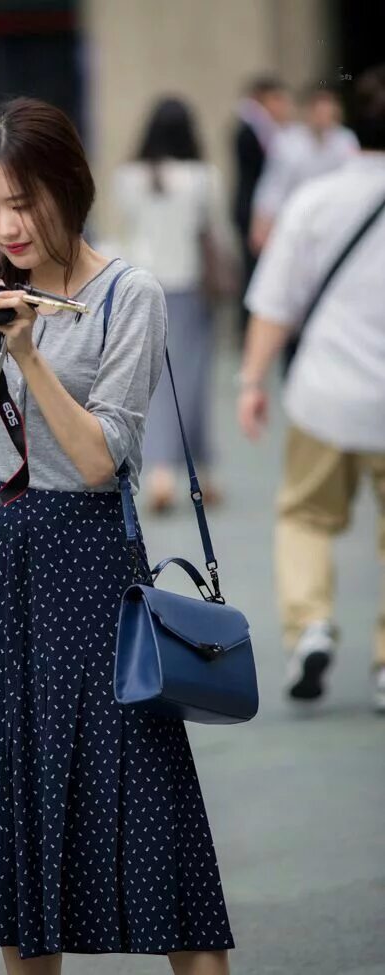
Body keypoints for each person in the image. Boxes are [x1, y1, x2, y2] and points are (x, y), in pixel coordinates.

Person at [0, 97, 234, 973]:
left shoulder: (132, 295)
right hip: (2, 569)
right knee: (18, 837)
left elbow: (100, 457)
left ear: (70, 189)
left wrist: (28, 350)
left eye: (24, 202)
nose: (7, 226)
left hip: (94, 569)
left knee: (163, 837)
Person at [237, 65, 385, 712]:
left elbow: (275, 303)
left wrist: (250, 380)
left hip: (324, 394)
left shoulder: (316, 199)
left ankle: (312, 625)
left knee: (303, 514)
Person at [114, 97, 235, 512]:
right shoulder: (203, 177)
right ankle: (170, 473)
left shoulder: (128, 177)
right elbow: (217, 232)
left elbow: (128, 228)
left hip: (143, 283)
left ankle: (200, 470)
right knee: (190, 379)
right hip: (190, 286)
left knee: (159, 379)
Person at [249, 84, 359, 254]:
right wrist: (262, 223)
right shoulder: (288, 142)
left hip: (334, 219)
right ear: (309, 111)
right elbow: (274, 185)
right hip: (296, 218)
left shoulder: (345, 140)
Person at [230, 75, 292, 338]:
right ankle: (250, 329)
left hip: (257, 211)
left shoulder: (262, 128)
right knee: (253, 272)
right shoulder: (251, 128)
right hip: (253, 213)